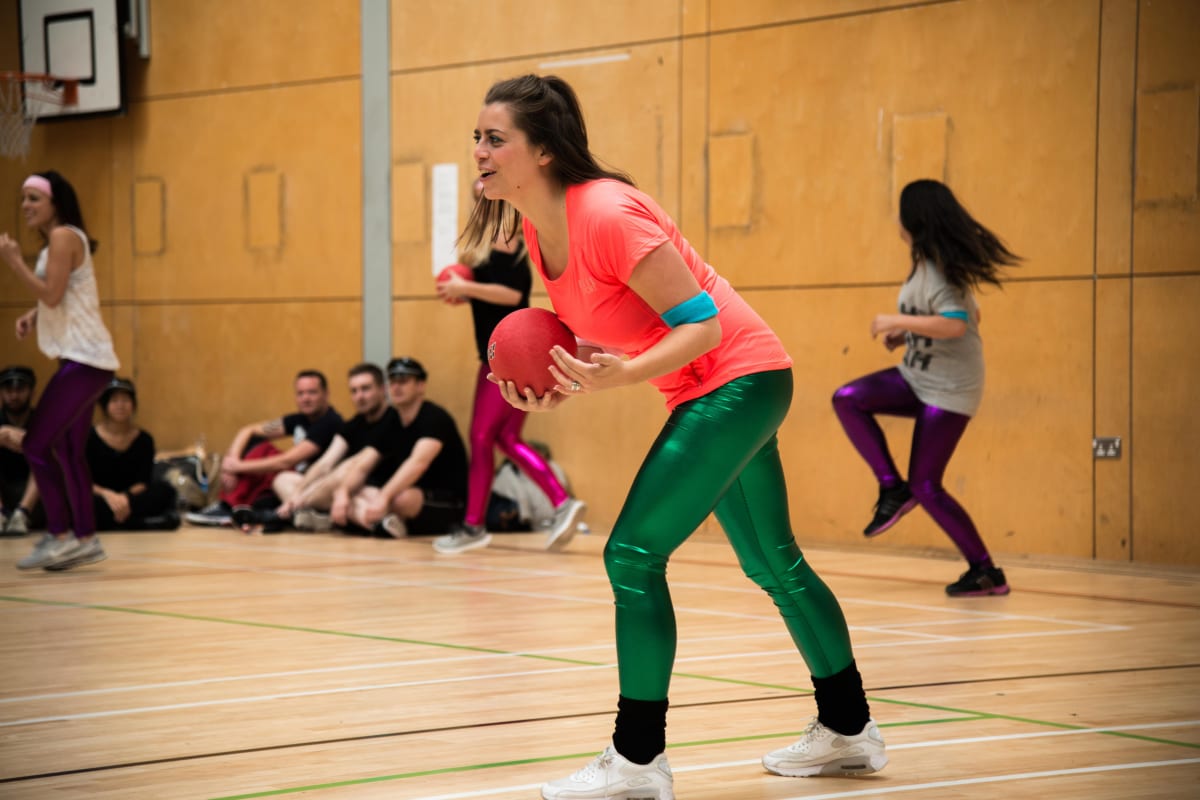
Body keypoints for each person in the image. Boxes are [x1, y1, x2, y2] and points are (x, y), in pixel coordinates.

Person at [464, 75, 886, 799]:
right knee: (774, 564)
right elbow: (615, 337)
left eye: (494, 137)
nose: (479, 151)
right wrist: (563, 381)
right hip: (718, 387)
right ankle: (849, 730)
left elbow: (704, 326)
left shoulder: (605, 213)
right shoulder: (540, 229)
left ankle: (637, 760)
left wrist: (621, 375)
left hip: (739, 380)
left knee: (631, 553)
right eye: (476, 136)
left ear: (541, 150)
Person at [832, 178, 1019, 598]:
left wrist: (896, 322)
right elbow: (967, 316)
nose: (894, 219)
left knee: (928, 486)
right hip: (919, 377)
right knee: (848, 398)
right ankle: (891, 487)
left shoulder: (936, 270)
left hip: (950, 391)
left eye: (899, 211)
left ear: (912, 218)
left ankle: (987, 571)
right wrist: (909, 337)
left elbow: (956, 323)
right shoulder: (927, 263)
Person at [434, 177, 585, 554]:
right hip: (506, 356)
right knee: (504, 438)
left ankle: (473, 526)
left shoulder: (507, 238)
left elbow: (512, 294)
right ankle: (561, 503)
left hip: (508, 358)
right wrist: (464, 285)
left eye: (483, 191)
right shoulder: (490, 244)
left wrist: (464, 289)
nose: (479, 199)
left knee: (482, 438)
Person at [1, 171, 119, 571]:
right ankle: (85, 538)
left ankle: (60, 534)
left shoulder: (63, 237)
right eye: (23, 199)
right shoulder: (63, 240)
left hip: (85, 360)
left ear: (55, 202)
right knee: (69, 451)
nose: (26, 206)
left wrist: (15, 262)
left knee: (36, 444)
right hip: (86, 359)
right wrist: (35, 315)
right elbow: (65, 294)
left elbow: (52, 292)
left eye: (33, 198)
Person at [185, 370, 343, 529]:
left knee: (266, 454)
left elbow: (287, 461)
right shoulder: (299, 420)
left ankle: (228, 506)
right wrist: (230, 464)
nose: (305, 398)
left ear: (326, 394)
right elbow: (249, 430)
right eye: (300, 393)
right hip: (296, 485)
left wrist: (237, 466)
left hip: (318, 485)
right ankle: (238, 508)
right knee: (255, 444)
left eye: (312, 392)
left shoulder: (329, 422)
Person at [340, 357, 469, 539]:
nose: (396, 387)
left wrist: (383, 497)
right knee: (357, 492)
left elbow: (418, 463)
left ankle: (375, 522)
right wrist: (342, 492)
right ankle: (384, 525)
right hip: (408, 496)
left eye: (403, 381)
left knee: (401, 499)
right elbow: (364, 462)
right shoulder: (393, 420)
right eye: (392, 382)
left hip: (447, 502)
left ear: (420, 386)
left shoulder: (434, 417)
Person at [275, 363, 399, 531]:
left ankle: (309, 512)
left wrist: (300, 497)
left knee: (347, 472)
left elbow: (361, 466)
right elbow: (326, 462)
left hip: (372, 491)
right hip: (343, 490)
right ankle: (317, 515)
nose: (359, 396)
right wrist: (298, 493)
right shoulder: (353, 425)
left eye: (365, 389)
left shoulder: (394, 421)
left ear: (383, 389)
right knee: (283, 479)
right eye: (354, 391)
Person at [87, 377, 180, 531]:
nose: (120, 405)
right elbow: (82, 479)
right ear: (105, 405)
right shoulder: (88, 437)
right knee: (78, 502)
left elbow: (143, 482)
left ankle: (115, 522)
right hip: (100, 495)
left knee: (165, 490)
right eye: (114, 400)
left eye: (125, 400)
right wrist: (108, 495)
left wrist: (124, 498)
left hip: (131, 497)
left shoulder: (144, 439)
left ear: (133, 404)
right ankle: (143, 523)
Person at [0, 365, 43, 536]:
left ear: (32, 392)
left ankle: (22, 515)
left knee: (45, 455)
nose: (14, 395)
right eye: (8, 389)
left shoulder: (43, 420)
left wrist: (30, 442)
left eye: (20, 389)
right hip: (4, 490)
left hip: (36, 498)